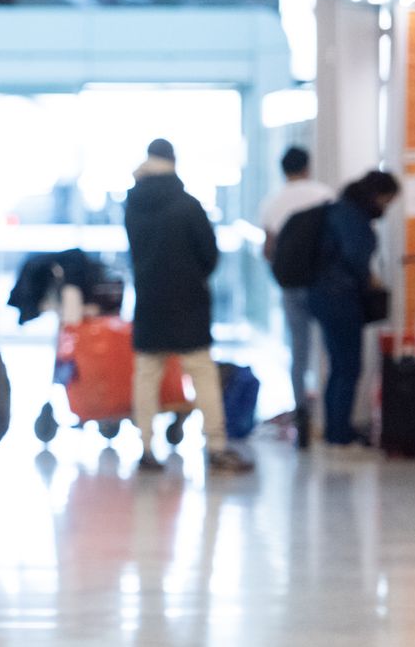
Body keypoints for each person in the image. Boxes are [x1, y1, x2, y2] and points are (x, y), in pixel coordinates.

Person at [125, 139, 251, 473]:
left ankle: (147, 449)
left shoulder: (132, 203)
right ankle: (216, 447)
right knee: (202, 374)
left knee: (147, 376)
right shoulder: (188, 205)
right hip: (188, 303)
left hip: (149, 300)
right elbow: (209, 255)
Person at [310, 171, 399, 447]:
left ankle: (334, 428)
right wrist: (369, 279)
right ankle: (339, 432)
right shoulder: (352, 217)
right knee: (348, 365)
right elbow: (354, 256)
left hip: (325, 296)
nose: (386, 206)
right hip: (341, 299)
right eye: (387, 199)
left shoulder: (338, 211)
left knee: (338, 365)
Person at [258, 146, 334, 447]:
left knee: (299, 349)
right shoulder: (324, 194)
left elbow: (268, 250)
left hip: (291, 285)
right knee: (329, 347)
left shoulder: (272, 202)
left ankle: (301, 410)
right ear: (308, 166)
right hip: (324, 283)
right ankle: (330, 415)